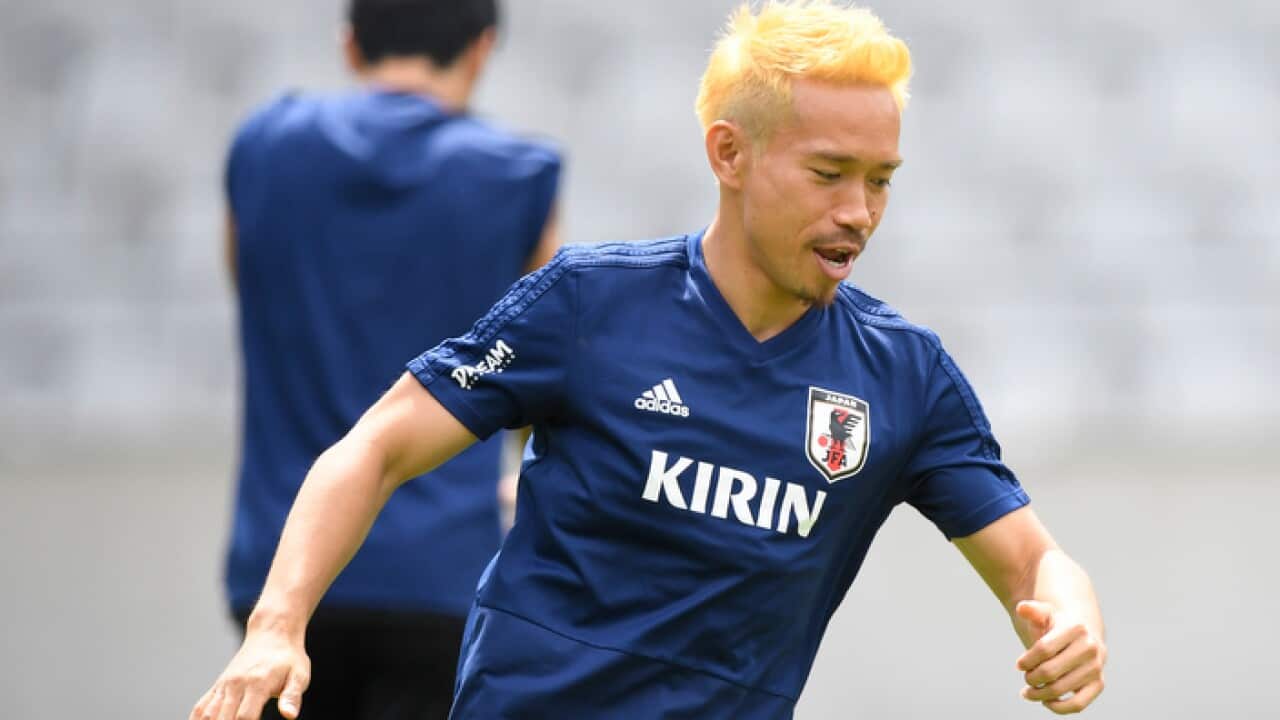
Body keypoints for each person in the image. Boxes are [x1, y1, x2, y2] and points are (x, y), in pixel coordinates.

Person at [192, 2, 1107, 719]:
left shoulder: (903, 377)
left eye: (881, 181)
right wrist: (277, 626)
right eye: (830, 175)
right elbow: (377, 446)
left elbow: (1034, 560)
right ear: (729, 153)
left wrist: (1074, 616)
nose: (860, 212)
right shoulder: (590, 305)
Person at [217, 0, 560, 717]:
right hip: (441, 569)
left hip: (283, 568)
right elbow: (546, 361)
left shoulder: (261, 147)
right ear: (481, 48)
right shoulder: (517, 176)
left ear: (349, 45)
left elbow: (244, 283)